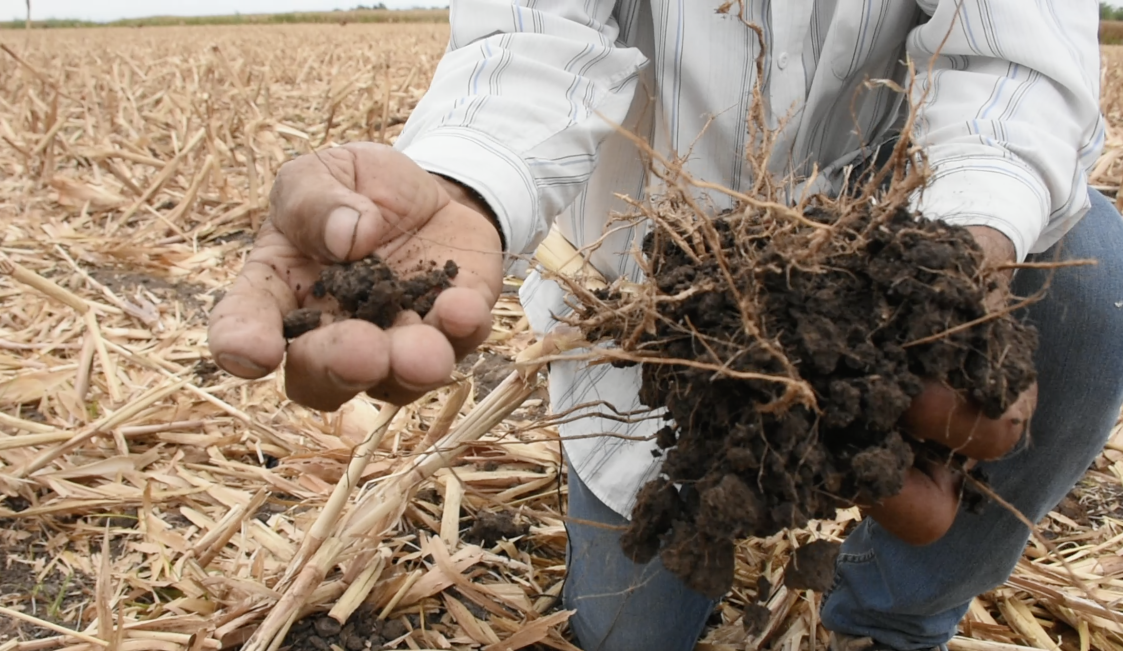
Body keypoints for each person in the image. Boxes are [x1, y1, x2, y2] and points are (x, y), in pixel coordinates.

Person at [208, 2, 1123, 650]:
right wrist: (463, 184)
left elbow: (1010, 58)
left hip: (888, 240)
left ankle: (890, 619)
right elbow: (537, 34)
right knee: (627, 629)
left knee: (1097, 274)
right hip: (655, 322)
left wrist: (948, 264)